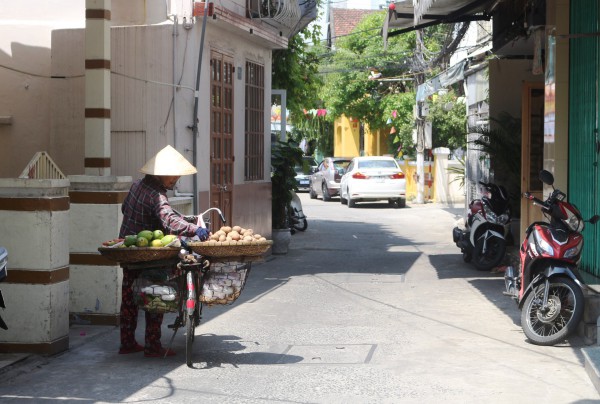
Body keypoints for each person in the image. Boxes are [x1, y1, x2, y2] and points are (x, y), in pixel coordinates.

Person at [118, 145, 210, 358]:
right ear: (161, 174)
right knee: (155, 295)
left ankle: (127, 343)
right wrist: (195, 229)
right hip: (149, 255)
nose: (176, 179)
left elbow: (125, 208)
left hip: (129, 250)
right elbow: (169, 221)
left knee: (129, 297)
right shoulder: (156, 196)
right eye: (174, 175)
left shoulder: (136, 186)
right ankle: (153, 346)